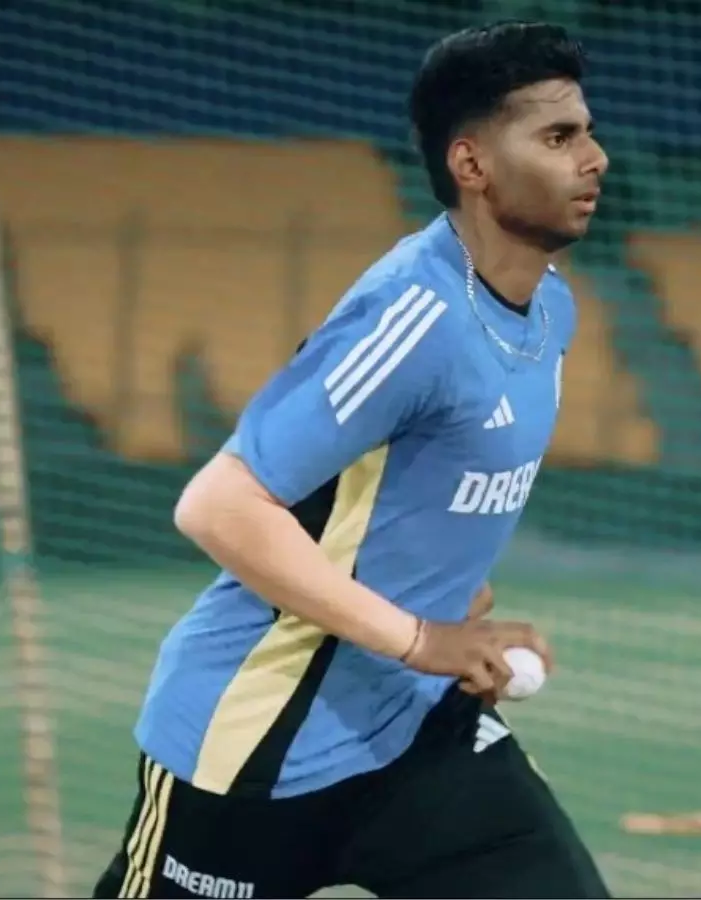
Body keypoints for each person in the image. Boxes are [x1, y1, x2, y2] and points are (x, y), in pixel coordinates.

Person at [92, 20, 610, 899]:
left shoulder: (549, 310)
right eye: (559, 137)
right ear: (472, 164)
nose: (595, 158)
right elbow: (218, 506)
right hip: (255, 747)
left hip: (415, 733)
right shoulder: (412, 315)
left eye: (588, 132)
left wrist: (458, 610)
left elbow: (404, 497)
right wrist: (422, 638)